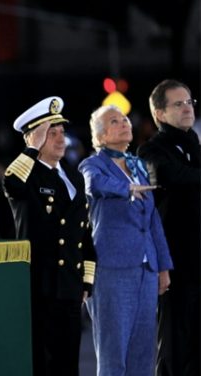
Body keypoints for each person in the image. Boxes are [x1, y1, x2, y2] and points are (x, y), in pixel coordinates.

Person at [2, 96, 96, 376]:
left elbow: (85, 231)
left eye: (61, 132)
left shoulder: (72, 177)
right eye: (50, 133)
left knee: (69, 363)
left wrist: (87, 280)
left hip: (69, 285)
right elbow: (11, 183)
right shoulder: (29, 177)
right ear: (34, 138)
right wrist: (31, 148)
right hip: (39, 285)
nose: (59, 139)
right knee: (42, 363)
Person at [79, 104, 173, 376]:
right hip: (112, 270)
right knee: (113, 354)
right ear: (101, 137)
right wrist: (128, 188)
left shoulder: (138, 165)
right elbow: (95, 185)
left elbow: (153, 219)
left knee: (144, 354)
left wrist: (163, 266)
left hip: (146, 269)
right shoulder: (92, 164)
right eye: (114, 121)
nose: (124, 123)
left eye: (124, 119)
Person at [137, 79, 199, 376]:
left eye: (189, 102)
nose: (187, 108)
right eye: (178, 104)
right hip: (175, 262)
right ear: (160, 114)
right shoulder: (151, 148)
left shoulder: (194, 145)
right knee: (175, 343)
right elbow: (167, 174)